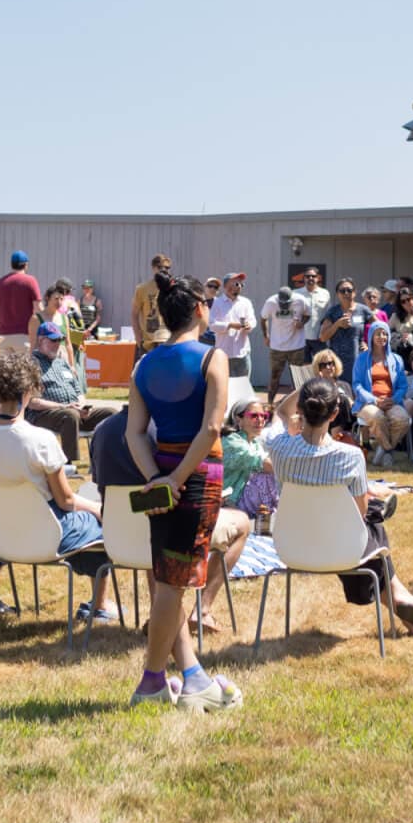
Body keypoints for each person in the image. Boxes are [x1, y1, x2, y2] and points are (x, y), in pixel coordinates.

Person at [124, 272, 239, 709]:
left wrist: (157, 477)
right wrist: (176, 479)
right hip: (197, 475)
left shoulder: (143, 364)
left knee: (167, 578)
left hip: (161, 475)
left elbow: (134, 434)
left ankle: (190, 673)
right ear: (198, 309)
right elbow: (212, 426)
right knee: (173, 584)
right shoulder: (213, 358)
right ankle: (152, 680)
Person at [264, 376, 413, 632]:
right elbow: (359, 514)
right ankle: (399, 597)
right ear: (335, 413)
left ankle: (400, 600)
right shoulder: (351, 456)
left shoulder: (278, 448)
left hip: (292, 545)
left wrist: (311, 381)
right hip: (343, 548)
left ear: (301, 410)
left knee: (371, 520)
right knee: (372, 519)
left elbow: (281, 411)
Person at [0, 354, 107, 625]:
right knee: (97, 522)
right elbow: (66, 500)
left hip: (1, 534)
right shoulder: (40, 439)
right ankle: (99, 606)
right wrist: (98, 510)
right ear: (27, 391)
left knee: (6, 510)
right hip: (48, 536)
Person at [32, 322, 123, 445]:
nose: (58, 344)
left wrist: (82, 407)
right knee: (70, 415)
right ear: (40, 340)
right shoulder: (31, 364)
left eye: (60, 339)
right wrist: (65, 407)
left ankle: (108, 458)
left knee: (111, 414)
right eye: (53, 340)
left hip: (74, 412)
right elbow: (33, 402)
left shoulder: (62, 363)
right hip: (45, 415)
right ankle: (70, 462)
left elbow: (78, 392)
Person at [351, 324, 410, 466]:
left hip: (391, 401)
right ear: (371, 337)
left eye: (384, 333)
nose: (381, 337)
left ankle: (382, 450)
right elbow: (357, 385)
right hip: (368, 403)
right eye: (377, 334)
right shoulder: (362, 359)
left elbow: (403, 385)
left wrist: (394, 399)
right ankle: (388, 450)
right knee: (377, 417)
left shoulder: (396, 359)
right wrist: (375, 400)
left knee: (403, 419)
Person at [260, 284, 312, 401]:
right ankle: (270, 403)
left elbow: (308, 314)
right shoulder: (271, 302)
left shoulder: (300, 300)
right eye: (282, 303)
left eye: (287, 303)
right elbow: (263, 319)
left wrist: (302, 323)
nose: (284, 306)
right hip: (277, 347)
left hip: (296, 346)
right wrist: (266, 335)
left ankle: (298, 403)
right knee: (274, 377)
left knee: (297, 377)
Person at [209, 273, 257, 386]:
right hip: (224, 353)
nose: (239, 286)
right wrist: (229, 325)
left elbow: (252, 320)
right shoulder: (217, 303)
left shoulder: (246, 302)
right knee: (224, 386)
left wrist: (249, 325)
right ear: (226, 286)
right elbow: (212, 325)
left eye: (241, 284)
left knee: (244, 386)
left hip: (242, 352)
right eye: (236, 283)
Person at [0, 252, 42, 355]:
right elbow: (38, 309)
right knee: (23, 369)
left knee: (5, 370)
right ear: (26, 265)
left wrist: (0, 326)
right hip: (24, 336)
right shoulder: (30, 281)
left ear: (11, 264)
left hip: (3, 336)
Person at [317, 278, 363, 375]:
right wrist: (337, 324)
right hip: (337, 363)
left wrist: (367, 342)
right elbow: (322, 337)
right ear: (337, 294)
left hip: (357, 361)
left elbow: (378, 328)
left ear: (354, 292)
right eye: (342, 291)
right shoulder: (333, 312)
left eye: (349, 290)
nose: (346, 293)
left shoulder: (362, 310)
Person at [130, 254, 171, 357]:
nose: (164, 270)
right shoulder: (142, 289)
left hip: (168, 340)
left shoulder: (173, 288)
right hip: (148, 343)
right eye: (160, 267)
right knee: (143, 372)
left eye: (167, 267)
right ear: (153, 268)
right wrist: (138, 339)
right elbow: (134, 314)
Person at [297, 267, 329, 363]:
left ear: (318, 278)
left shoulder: (325, 293)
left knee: (322, 365)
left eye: (313, 276)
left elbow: (328, 316)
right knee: (304, 369)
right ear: (304, 278)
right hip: (301, 338)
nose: (310, 278)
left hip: (319, 338)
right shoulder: (296, 293)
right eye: (307, 276)